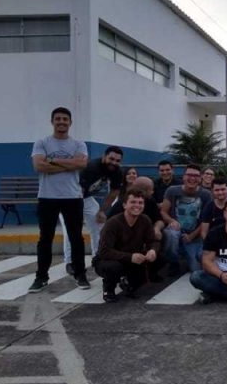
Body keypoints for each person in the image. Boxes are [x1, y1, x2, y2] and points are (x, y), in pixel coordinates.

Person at [29, 107, 89, 292]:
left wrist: (52, 162)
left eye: (65, 119)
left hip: (72, 197)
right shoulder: (42, 142)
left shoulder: (79, 144)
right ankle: (41, 277)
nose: (61, 122)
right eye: (58, 119)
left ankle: (80, 274)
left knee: (76, 238)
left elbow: (82, 164)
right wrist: (68, 164)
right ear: (52, 121)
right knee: (45, 239)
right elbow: (39, 165)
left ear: (70, 122)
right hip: (47, 197)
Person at [60, 145, 124, 275]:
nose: (114, 162)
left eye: (118, 160)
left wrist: (101, 211)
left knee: (99, 224)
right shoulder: (91, 167)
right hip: (67, 198)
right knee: (71, 230)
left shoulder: (116, 171)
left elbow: (114, 192)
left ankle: (98, 257)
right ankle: (70, 262)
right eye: (111, 159)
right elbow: (78, 191)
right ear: (104, 156)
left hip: (86, 198)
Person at [94, 187, 159, 302]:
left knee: (159, 258)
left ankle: (127, 282)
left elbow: (152, 241)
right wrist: (130, 257)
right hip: (109, 260)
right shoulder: (113, 223)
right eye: (133, 202)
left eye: (140, 203)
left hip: (133, 259)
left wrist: (152, 250)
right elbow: (104, 251)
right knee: (113, 267)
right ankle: (108, 288)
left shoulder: (145, 220)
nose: (137, 205)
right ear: (124, 205)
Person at [160, 164, 212, 276]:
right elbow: (163, 211)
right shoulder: (172, 191)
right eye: (189, 175)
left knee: (196, 269)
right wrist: (171, 221)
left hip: (194, 236)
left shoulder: (206, 195)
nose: (192, 178)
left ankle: (185, 255)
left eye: (196, 175)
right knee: (171, 235)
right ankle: (173, 262)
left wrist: (192, 236)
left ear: (200, 178)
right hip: (176, 230)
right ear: (183, 176)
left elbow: (205, 220)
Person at [107, 176, 164, 243]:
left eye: (140, 203)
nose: (153, 192)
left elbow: (159, 220)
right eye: (151, 190)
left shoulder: (150, 201)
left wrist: (156, 228)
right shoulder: (119, 205)